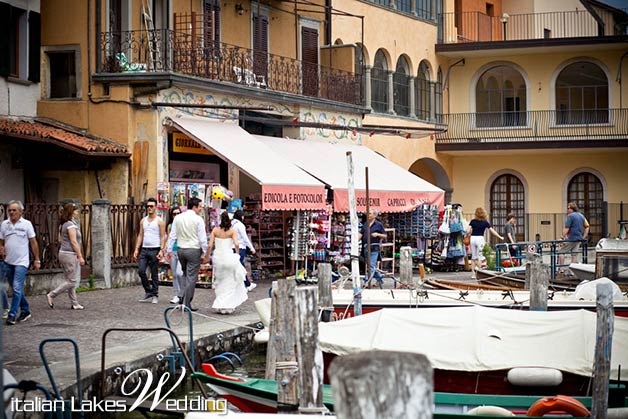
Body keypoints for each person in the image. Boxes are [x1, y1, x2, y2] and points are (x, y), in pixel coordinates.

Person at [0, 200, 40, 325]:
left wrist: (37, 259)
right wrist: (1, 249)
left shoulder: (26, 224)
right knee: (15, 289)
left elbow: (33, 242)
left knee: (17, 288)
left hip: (21, 261)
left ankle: (12, 315)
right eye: (10, 210)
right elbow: (1, 241)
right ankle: (25, 310)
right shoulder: (4, 224)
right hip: (8, 261)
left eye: (14, 210)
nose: (11, 212)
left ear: (21, 212)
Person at [166, 197, 208, 311]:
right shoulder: (198, 219)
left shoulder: (178, 218)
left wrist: (168, 250)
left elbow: (172, 235)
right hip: (193, 249)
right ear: (194, 206)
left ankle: (181, 297)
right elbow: (202, 239)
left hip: (180, 249)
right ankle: (187, 303)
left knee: (184, 274)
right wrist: (205, 253)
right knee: (191, 277)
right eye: (199, 206)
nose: (201, 209)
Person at [205, 212, 248, 314]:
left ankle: (220, 305)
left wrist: (207, 255)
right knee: (230, 281)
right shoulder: (232, 231)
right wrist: (237, 254)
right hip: (229, 258)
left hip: (218, 258)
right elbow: (237, 244)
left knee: (220, 281)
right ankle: (228, 306)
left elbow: (210, 245)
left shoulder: (215, 230)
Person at [46, 203, 85, 310]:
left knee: (69, 279)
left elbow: (60, 240)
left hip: (63, 253)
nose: (77, 212)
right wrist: (80, 256)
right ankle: (52, 294)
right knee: (72, 281)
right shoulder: (70, 225)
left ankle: (75, 303)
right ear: (71, 212)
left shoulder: (64, 224)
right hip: (70, 254)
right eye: (76, 210)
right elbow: (73, 241)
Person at [133, 198, 166, 304]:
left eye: (151, 206)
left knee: (154, 273)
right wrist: (137, 249)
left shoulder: (159, 221)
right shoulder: (143, 221)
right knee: (141, 271)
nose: (149, 208)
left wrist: (161, 250)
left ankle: (155, 294)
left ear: (155, 207)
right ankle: (148, 291)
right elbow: (140, 235)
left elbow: (163, 236)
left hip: (155, 249)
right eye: (147, 206)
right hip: (144, 249)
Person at [466, 207, 503, 278]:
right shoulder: (485, 222)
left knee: (473, 257)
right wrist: (499, 237)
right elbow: (492, 231)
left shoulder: (472, 221)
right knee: (480, 256)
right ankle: (480, 271)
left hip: (473, 238)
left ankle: (473, 274)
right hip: (480, 238)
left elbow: (467, 230)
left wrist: (468, 233)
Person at [358, 209, 386, 288]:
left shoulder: (378, 225)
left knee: (371, 265)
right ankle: (380, 279)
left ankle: (367, 281)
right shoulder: (365, 224)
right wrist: (354, 240)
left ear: (374, 215)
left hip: (374, 247)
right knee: (371, 265)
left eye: (370, 213)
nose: (368, 215)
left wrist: (377, 234)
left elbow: (385, 235)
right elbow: (361, 233)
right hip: (366, 247)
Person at [231, 210, 257, 292]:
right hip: (240, 247)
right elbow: (245, 238)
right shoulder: (240, 225)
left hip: (232, 247)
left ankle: (240, 285)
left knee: (236, 267)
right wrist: (251, 248)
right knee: (240, 267)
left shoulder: (231, 224)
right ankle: (247, 284)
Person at [559, 202, 589, 267]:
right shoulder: (581, 216)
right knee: (574, 254)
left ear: (572, 209)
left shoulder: (570, 216)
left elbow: (566, 228)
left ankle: (561, 269)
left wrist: (562, 236)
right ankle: (572, 271)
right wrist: (583, 237)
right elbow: (587, 227)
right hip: (578, 238)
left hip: (571, 238)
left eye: (568, 208)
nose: (567, 210)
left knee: (561, 252)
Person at [166, 206, 183, 304]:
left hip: (181, 250)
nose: (176, 215)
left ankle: (182, 293)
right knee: (174, 274)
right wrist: (167, 250)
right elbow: (169, 238)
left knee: (179, 272)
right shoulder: (170, 226)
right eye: (174, 214)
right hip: (173, 250)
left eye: (178, 213)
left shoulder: (183, 224)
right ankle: (176, 294)